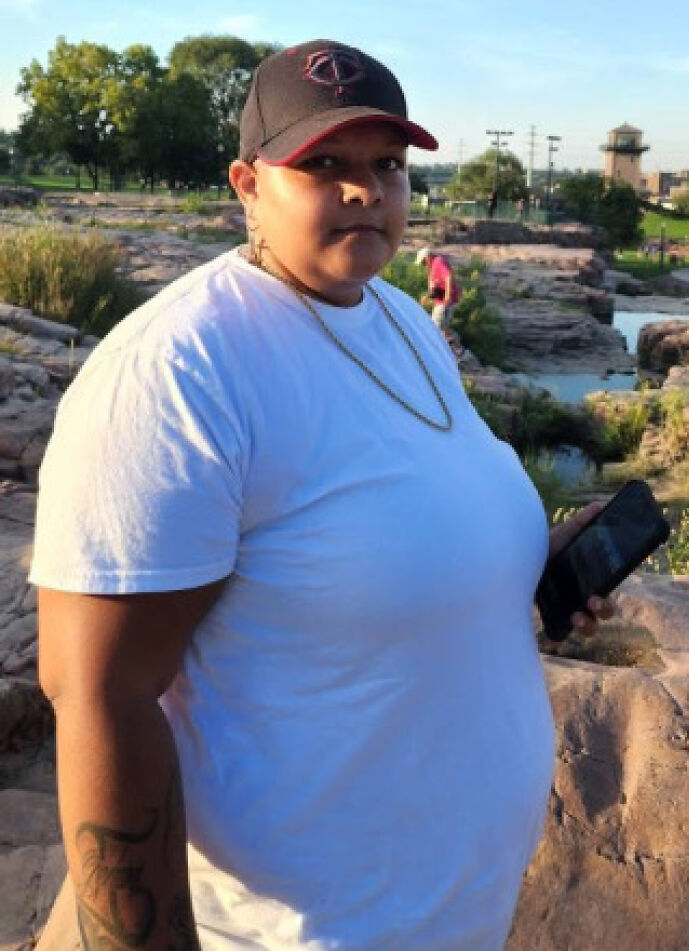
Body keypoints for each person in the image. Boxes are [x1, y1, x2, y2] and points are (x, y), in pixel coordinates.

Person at [31, 39, 613, 951]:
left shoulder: (392, 319)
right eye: (324, 165)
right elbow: (99, 692)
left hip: (449, 915)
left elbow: (372, 548)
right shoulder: (179, 375)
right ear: (246, 183)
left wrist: (524, 574)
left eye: (387, 165)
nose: (365, 191)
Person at [415, 246, 459, 335]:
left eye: (423, 262)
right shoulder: (433, 266)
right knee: (443, 328)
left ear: (428, 257)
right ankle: (454, 345)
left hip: (444, 301)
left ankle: (447, 345)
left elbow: (448, 276)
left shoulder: (438, 262)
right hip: (441, 300)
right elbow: (435, 288)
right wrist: (427, 297)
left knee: (435, 328)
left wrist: (448, 295)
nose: (424, 265)